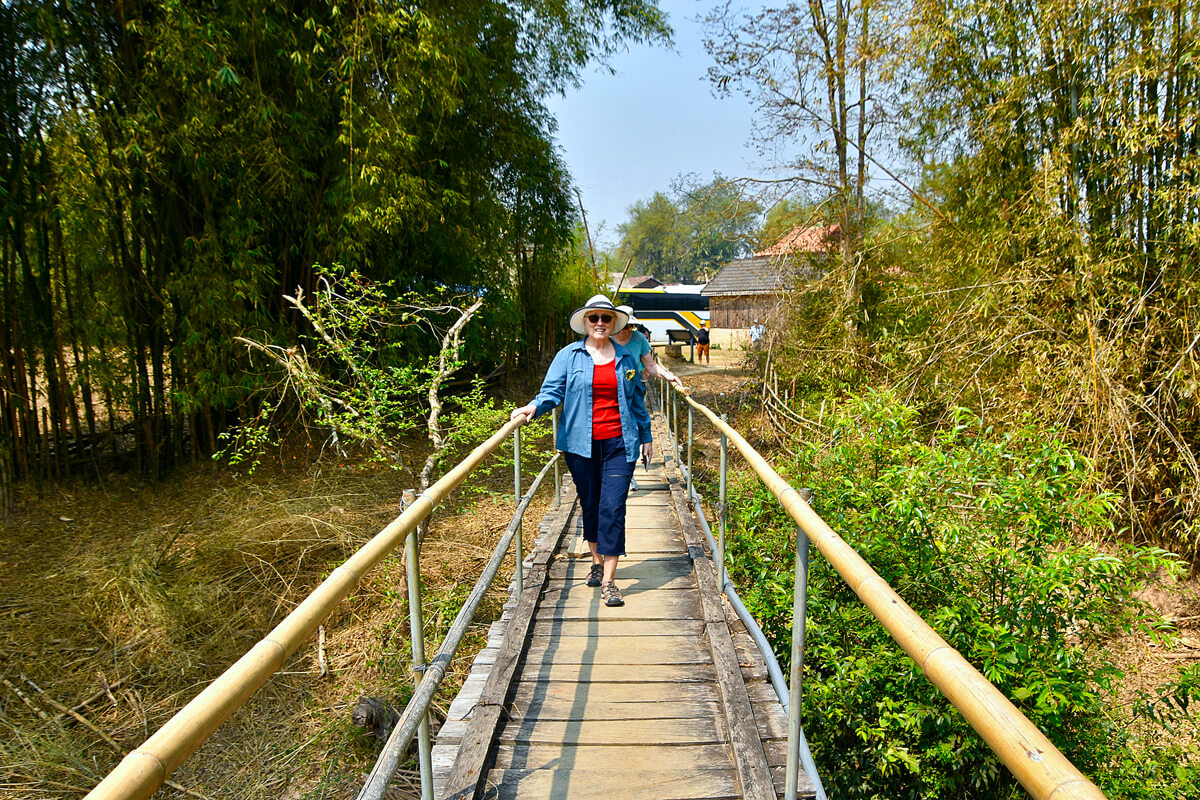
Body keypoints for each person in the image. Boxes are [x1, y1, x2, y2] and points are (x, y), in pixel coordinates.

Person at [510, 295, 653, 607]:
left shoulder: (627, 358)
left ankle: (611, 582)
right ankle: (596, 562)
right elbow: (552, 391)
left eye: (605, 318)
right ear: (586, 323)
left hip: (620, 443)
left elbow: (637, 402)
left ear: (614, 322)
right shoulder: (569, 356)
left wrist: (647, 435)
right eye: (594, 318)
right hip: (580, 445)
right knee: (590, 504)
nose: (600, 323)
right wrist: (534, 407)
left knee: (612, 508)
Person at [613, 306, 682, 491]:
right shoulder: (604, 338)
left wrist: (668, 375)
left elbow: (650, 365)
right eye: (621, 325)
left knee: (632, 433)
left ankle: (627, 475)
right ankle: (616, 476)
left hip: (632, 389)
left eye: (628, 326)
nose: (624, 330)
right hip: (609, 393)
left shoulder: (638, 339)